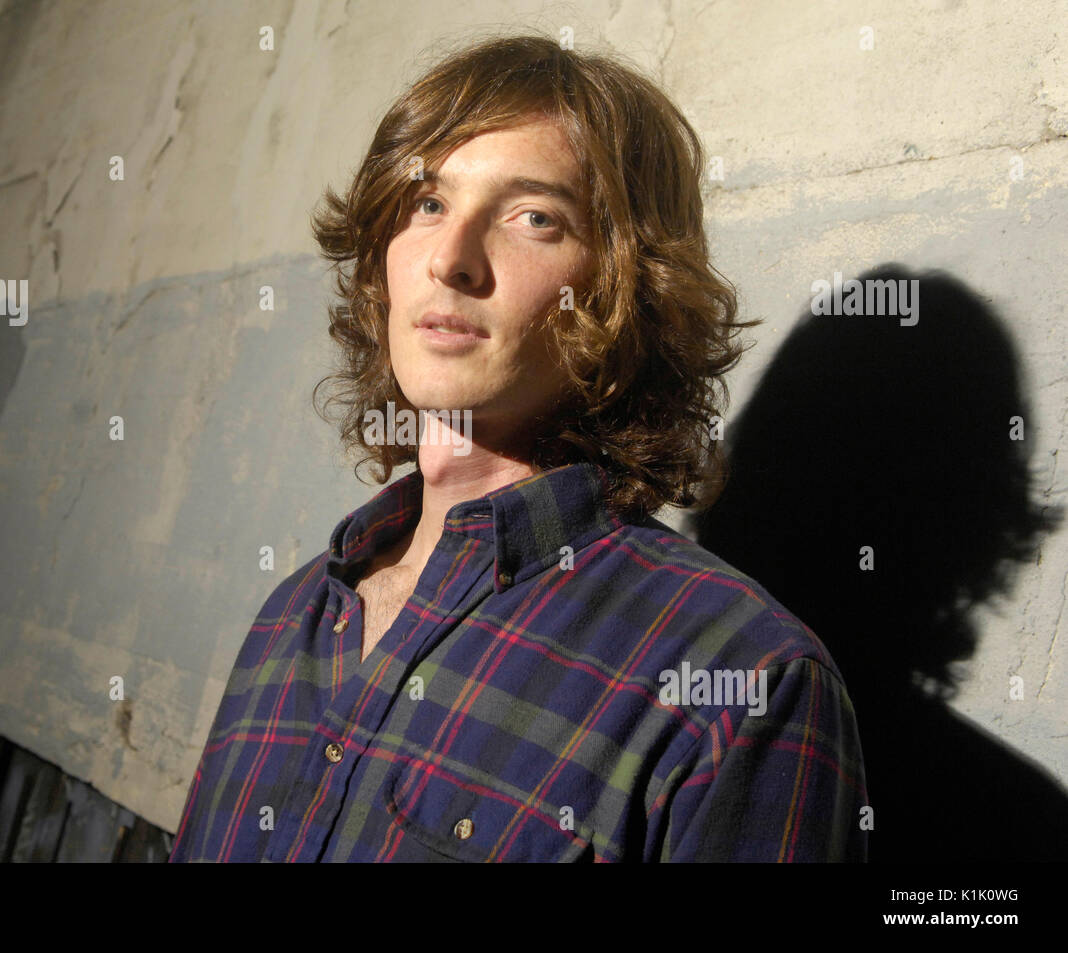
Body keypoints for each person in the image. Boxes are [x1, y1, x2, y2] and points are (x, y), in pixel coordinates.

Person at [168, 32, 869, 863]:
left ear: (628, 288)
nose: (451, 259)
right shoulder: (296, 614)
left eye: (533, 217)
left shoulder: (746, 682)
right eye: (427, 203)